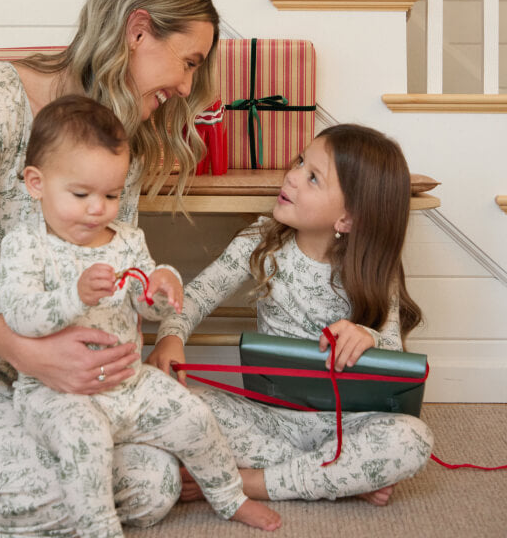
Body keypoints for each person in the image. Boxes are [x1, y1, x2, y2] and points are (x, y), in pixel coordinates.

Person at [0, 0, 224, 537]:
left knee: (154, 483)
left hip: (49, 385)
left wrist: (150, 331)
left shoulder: (121, 140)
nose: (187, 87)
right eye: (189, 62)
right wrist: (28, 352)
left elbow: (117, 262)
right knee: (58, 489)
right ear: (138, 30)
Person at [0, 95, 281, 536]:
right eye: (81, 194)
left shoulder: (126, 239)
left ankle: (229, 495)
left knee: (194, 416)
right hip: (57, 395)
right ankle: (99, 529)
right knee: (84, 446)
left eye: (111, 194)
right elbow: (20, 317)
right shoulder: (24, 245)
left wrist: (162, 286)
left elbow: (144, 300)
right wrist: (75, 296)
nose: (98, 208)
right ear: (36, 183)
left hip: (129, 383)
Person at [148, 123, 435, 508]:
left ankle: (242, 482)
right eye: (301, 161)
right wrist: (171, 335)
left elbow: (394, 357)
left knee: (413, 440)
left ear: (347, 220)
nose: (292, 176)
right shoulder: (263, 241)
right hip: (270, 422)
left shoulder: (375, 272)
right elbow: (197, 295)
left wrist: (367, 336)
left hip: (349, 425)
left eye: (313, 177)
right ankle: (336, 476)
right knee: (163, 403)